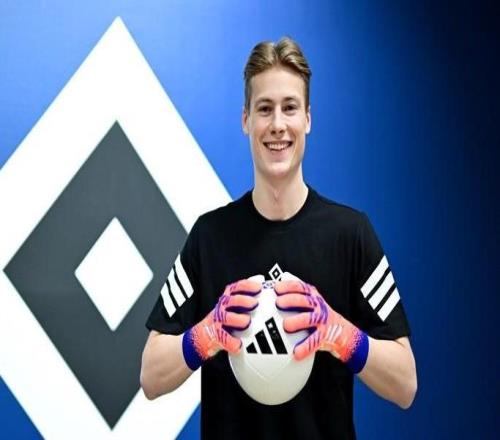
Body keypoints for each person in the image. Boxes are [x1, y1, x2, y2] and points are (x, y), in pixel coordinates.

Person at [140, 37, 417, 439]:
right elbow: (151, 376)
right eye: (264, 108)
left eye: (290, 107)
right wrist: (205, 334)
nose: (277, 125)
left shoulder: (351, 234)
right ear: (245, 120)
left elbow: (405, 383)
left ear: (308, 118)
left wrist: (341, 334)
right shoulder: (209, 236)